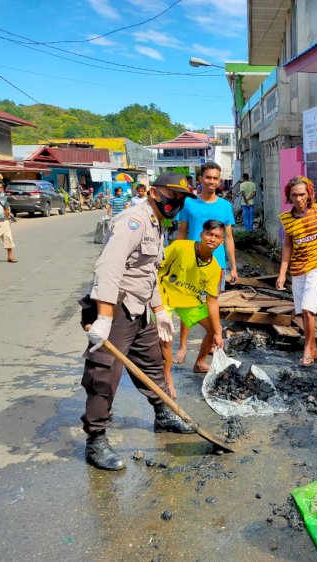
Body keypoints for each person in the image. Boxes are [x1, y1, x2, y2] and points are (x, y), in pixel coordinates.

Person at [79, 172, 196, 471]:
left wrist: (160, 310)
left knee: (152, 363)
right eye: (173, 197)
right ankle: (96, 439)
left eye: (181, 199)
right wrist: (104, 317)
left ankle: (164, 413)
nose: (177, 203)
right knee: (104, 373)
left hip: (139, 307)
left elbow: (148, 274)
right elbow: (108, 268)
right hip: (115, 308)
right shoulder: (133, 220)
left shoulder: (158, 224)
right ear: (155, 193)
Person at [276, 176, 317, 367]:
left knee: (307, 309)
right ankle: (313, 348)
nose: (298, 199)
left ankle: (307, 349)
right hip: (298, 268)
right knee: (302, 313)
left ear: (309, 194)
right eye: (294, 195)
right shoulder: (287, 219)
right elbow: (287, 247)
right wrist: (282, 274)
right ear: (289, 196)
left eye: (302, 194)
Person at [174, 162, 237, 366]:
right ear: (200, 179)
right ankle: (183, 346)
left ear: (220, 181)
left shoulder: (225, 206)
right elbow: (182, 233)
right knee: (188, 305)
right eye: (208, 177)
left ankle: (210, 342)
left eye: (216, 178)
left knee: (212, 303)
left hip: (216, 265)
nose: (212, 182)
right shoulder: (188, 204)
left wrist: (233, 266)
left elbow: (228, 238)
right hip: (191, 263)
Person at [158, 219, 225, 378]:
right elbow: (155, 264)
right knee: (166, 335)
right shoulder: (181, 247)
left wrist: (218, 331)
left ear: (221, 242)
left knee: (212, 329)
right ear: (202, 235)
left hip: (188, 300)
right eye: (209, 234)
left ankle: (200, 363)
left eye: (217, 236)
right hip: (164, 294)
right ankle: (166, 376)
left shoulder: (214, 268)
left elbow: (212, 300)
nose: (212, 239)